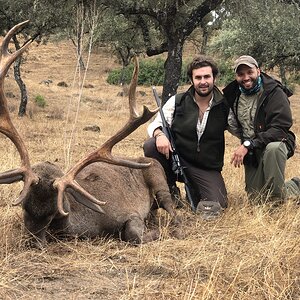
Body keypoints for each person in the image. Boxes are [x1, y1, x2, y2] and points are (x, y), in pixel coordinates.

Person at [143, 55, 229, 220]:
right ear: (191, 80)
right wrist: (160, 134)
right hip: (176, 159)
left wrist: (247, 144)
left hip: (205, 167)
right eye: (198, 77)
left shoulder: (225, 106)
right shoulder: (178, 101)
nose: (203, 81)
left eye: (206, 77)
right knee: (151, 145)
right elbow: (154, 124)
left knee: (218, 204)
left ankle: (196, 190)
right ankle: (168, 189)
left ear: (214, 78)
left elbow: (239, 130)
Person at [223, 55, 300, 203]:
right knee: (257, 199)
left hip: (276, 142)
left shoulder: (274, 92)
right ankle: (293, 186)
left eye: (249, 72)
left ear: (258, 71)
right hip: (252, 151)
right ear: (236, 76)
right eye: (241, 74)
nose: (246, 77)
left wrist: (247, 144)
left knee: (273, 149)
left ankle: (277, 202)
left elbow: (280, 128)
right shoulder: (232, 95)